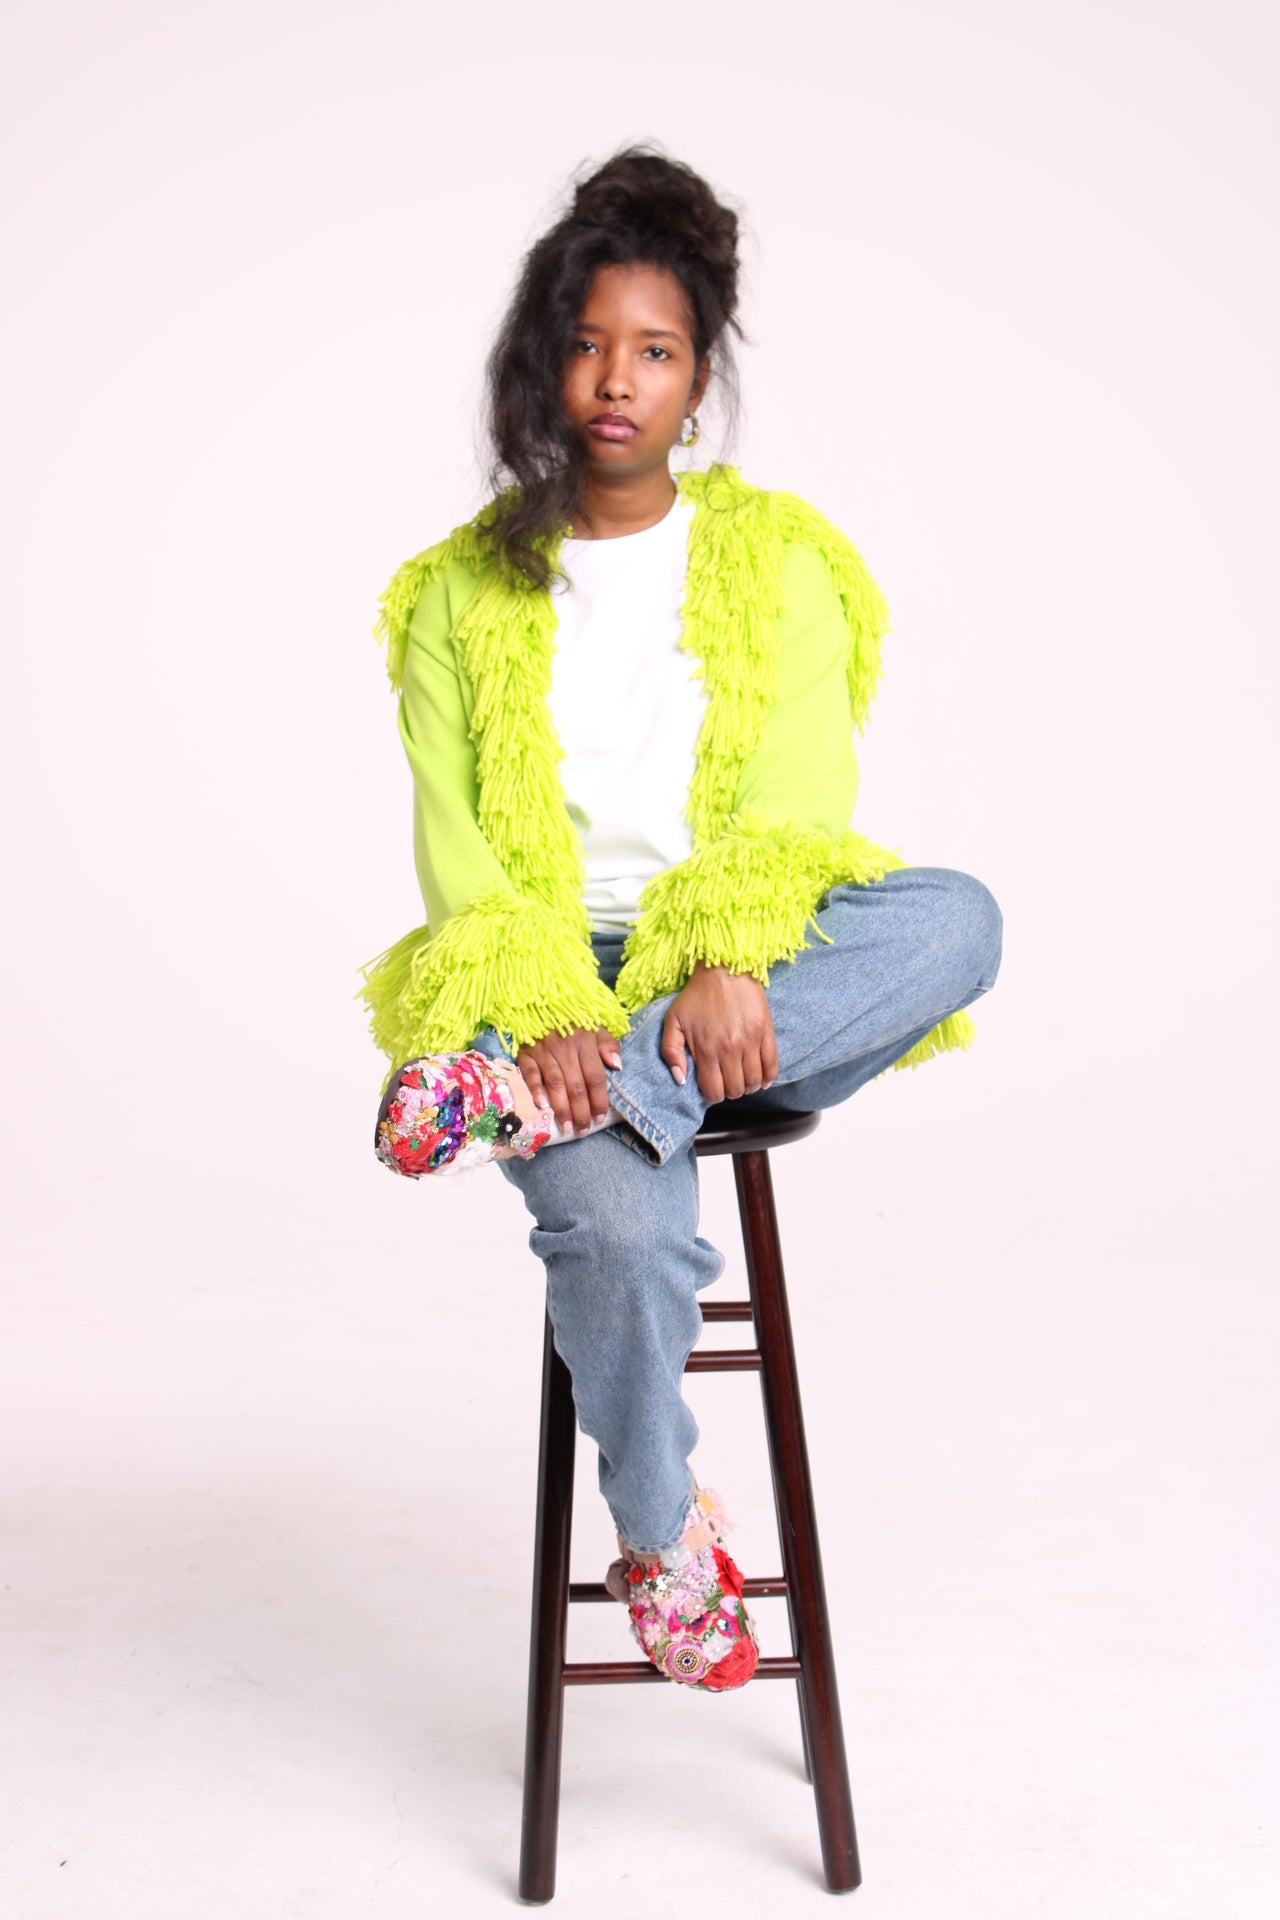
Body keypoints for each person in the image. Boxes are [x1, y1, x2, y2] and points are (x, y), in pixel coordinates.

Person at [357, 145, 1003, 1693]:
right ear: (543, 361)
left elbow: (799, 803)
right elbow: (459, 850)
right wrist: (544, 1010)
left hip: (733, 967)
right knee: (623, 1229)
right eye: (587, 346)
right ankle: (663, 1539)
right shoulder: (452, 594)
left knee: (957, 921)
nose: (615, 381)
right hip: (543, 987)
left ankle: (580, 1094)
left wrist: (721, 959)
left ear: (698, 376)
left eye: (652, 351)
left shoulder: (781, 559)